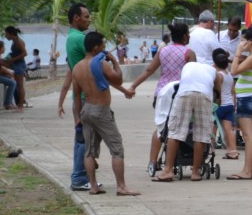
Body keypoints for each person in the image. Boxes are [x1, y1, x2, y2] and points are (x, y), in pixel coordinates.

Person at [70, 32, 139, 196]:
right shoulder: (100, 64)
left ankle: (93, 186)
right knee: (116, 148)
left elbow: (76, 96)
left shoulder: (77, 68)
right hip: (101, 110)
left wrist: (77, 118)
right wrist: (114, 60)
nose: (104, 48)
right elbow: (118, 79)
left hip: (86, 109)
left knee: (89, 151)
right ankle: (121, 187)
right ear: (95, 48)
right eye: (102, 45)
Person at [126, 23, 196, 176]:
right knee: (178, 129)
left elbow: (149, 70)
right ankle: (177, 161)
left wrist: (133, 86)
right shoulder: (189, 53)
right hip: (180, 94)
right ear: (185, 36)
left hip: (162, 94)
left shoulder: (163, 51)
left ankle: (153, 161)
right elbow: (192, 76)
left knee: (161, 127)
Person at [151, 54, 222, 184]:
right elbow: (218, 90)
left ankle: (168, 170)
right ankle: (195, 172)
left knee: (175, 132)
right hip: (204, 95)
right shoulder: (213, 71)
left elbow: (181, 82)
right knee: (201, 135)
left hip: (184, 93)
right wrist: (219, 101)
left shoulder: (187, 66)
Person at [58, 3, 95, 191]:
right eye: (86, 16)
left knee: (82, 137)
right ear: (76, 18)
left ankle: (81, 175)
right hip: (85, 96)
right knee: (84, 139)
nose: (89, 20)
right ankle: (80, 177)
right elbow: (98, 60)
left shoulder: (71, 38)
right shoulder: (80, 38)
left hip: (79, 96)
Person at [228, 27, 252, 180]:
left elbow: (234, 71)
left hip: (247, 98)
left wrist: (238, 52)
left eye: (244, 40)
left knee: (248, 135)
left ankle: (246, 170)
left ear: (250, 41)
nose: (242, 42)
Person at [212, 48, 239, 161]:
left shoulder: (218, 75)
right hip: (229, 105)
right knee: (229, 130)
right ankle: (232, 151)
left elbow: (217, 90)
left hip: (220, 105)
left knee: (212, 127)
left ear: (215, 63)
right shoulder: (229, 75)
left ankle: (210, 149)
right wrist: (234, 104)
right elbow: (233, 91)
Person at [4, 26, 28, 108]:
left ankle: (21, 105)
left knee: (20, 85)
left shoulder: (18, 42)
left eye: (6, 34)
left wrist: (12, 59)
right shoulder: (15, 41)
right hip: (16, 64)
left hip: (19, 65)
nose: (5, 36)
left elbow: (25, 53)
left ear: (11, 34)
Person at [0, 40, 18, 110]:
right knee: (13, 83)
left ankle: (12, 102)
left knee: (12, 79)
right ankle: (8, 103)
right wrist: (10, 73)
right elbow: (0, 69)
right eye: (3, 47)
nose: (4, 49)